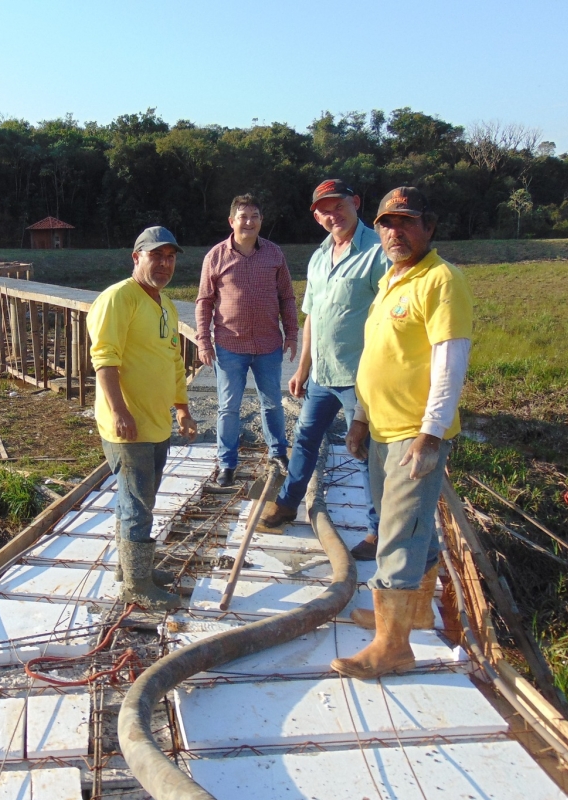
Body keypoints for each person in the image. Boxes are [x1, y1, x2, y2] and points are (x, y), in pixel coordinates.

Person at [332, 187, 473, 679]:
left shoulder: (440, 280)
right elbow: (378, 359)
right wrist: (361, 418)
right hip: (382, 431)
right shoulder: (392, 280)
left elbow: (450, 360)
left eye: (406, 222)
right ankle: (411, 613)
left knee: (396, 534)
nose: (395, 231)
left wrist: (431, 433)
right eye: (387, 223)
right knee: (415, 531)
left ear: (428, 227)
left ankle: (393, 646)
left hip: (415, 434)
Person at [258, 179, 385, 561]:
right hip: (322, 375)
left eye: (338, 206)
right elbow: (311, 316)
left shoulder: (378, 253)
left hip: (360, 376)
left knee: (362, 450)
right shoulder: (319, 257)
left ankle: (377, 531)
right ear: (316, 216)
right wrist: (302, 368)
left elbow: (388, 320)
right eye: (323, 210)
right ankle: (287, 503)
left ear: (356, 203)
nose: (332, 215)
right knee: (306, 439)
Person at [88, 226, 199, 609]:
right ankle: (137, 585)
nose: (165, 264)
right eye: (157, 256)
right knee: (138, 504)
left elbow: (172, 361)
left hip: (156, 423)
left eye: (170, 257)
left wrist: (182, 409)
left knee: (139, 499)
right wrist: (119, 412)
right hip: (128, 425)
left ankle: (131, 568)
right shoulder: (119, 298)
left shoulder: (165, 305)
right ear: (137, 258)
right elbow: (104, 359)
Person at [195, 194, 297, 487]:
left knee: (273, 403)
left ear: (261, 221)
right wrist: (204, 341)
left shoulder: (275, 254)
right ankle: (226, 464)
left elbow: (287, 297)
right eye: (243, 216)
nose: (249, 221)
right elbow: (203, 302)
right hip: (230, 346)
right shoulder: (215, 256)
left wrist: (292, 334)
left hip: (268, 345)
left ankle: (277, 452)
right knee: (228, 407)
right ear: (232, 221)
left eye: (254, 216)